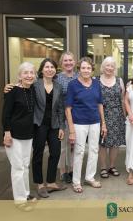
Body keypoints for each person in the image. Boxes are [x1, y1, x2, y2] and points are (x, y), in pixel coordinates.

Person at [66, 57, 107, 193]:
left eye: (88, 68)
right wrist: (71, 129)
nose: (86, 70)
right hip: (79, 124)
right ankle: (76, 181)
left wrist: (103, 124)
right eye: (83, 68)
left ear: (92, 70)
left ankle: (90, 177)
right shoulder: (73, 85)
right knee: (79, 152)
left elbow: (100, 104)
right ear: (79, 69)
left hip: (95, 122)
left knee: (94, 150)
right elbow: (68, 108)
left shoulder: (96, 83)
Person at [2, 62, 37, 211]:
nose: (29, 75)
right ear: (19, 76)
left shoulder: (33, 90)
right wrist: (7, 133)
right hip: (14, 135)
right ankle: (20, 200)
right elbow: (6, 115)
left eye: (31, 73)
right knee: (17, 168)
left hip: (28, 135)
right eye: (25, 73)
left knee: (25, 166)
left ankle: (26, 194)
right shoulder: (12, 91)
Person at [32, 58, 66, 198]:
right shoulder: (35, 85)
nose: (49, 69)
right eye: (47, 67)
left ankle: (51, 182)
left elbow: (60, 108)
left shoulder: (58, 86)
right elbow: (21, 90)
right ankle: (40, 184)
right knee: (38, 154)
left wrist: (61, 127)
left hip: (54, 125)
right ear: (42, 70)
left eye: (52, 67)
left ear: (55, 70)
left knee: (56, 153)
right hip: (38, 124)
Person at [98, 56, 126, 178]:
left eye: (112, 66)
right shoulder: (96, 80)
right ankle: (103, 167)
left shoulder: (119, 80)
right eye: (107, 65)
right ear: (103, 67)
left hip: (117, 116)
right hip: (100, 115)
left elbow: (123, 99)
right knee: (102, 143)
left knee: (115, 144)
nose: (109, 68)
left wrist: (125, 117)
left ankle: (112, 166)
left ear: (115, 68)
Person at [57, 51, 78, 184]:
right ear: (61, 63)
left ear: (74, 62)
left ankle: (72, 170)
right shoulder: (57, 78)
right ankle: (62, 171)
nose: (68, 62)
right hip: (61, 116)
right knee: (62, 146)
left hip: (77, 116)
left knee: (74, 146)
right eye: (65, 60)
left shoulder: (79, 76)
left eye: (70, 60)